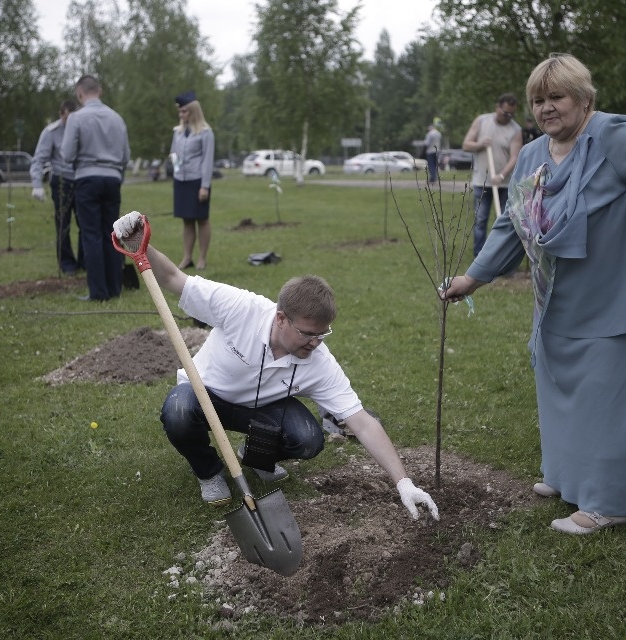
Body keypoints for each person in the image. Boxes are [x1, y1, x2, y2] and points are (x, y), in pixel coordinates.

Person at [441, 53, 626, 535]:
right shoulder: (537, 153)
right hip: (564, 299)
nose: (546, 108)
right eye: (537, 100)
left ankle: (610, 502)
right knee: (565, 390)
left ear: (584, 99)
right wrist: (472, 278)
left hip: (625, 295)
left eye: (556, 97)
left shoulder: (612, 135)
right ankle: (567, 477)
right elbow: (512, 225)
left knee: (611, 397)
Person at [112, 210, 439, 521]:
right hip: (205, 395)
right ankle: (209, 471)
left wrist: (403, 483)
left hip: (261, 409)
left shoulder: (318, 360)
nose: (316, 343)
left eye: (323, 334)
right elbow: (172, 277)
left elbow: (363, 423)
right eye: (308, 334)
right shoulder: (240, 307)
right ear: (280, 318)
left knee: (309, 438)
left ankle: (254, 455)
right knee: (178, 412)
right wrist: (139, 243)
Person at [60, 74, 131, 302]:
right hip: (112, 179)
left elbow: (67, 155)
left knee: (91, 235)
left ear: (79, 93)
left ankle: (98, 292)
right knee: (111, 234)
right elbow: (126, 156)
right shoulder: (117, 118)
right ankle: (115, 287)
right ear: (99, 91)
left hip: (87, 179)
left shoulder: (76, 118)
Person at [461, 93, 524, 257]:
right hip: (481, 181)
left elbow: (514, 157)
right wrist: (480, 144)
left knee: (503, 221)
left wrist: (501, 176)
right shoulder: (482, 121)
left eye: (512, 114)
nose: (508, 116)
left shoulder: (515, 130)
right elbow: (466, 145)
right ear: (498, 107)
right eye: (505, 113)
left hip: (504, 184)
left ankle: (499, 256)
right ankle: (480, 256)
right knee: (480, 220)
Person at [31, 99, 82, 276]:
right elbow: (39, 159)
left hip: (82, 180)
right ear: (61, 115)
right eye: (69, 118)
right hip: (62, 181)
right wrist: (37, 185)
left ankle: (85, 261)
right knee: (63, 224)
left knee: (85, 223)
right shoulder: (51, 132)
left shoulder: (82, 128)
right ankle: (67, 264)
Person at [170, 91, 215, 270]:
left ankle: (202, 258)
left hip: (198, 181)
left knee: (201, 219)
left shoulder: (206, 132)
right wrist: (176, 166)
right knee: (187, 220)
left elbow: (207, 160)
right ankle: (187, 257)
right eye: (180, 112)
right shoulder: (178, 132)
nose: (181, 115)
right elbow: (174, 153)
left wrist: (205, 186)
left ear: (193, 111)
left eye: (184, 112)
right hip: (181, 180)